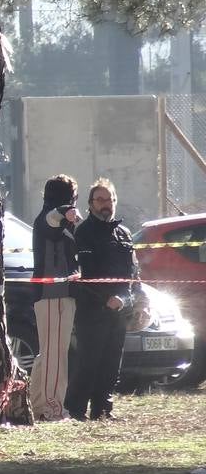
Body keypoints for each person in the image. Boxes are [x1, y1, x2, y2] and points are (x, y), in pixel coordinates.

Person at [67, 178, 139, 421]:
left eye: (109, 199)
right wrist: (109, 298)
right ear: (90, 204)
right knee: (89, 362)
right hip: (93, 309)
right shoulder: (84, 232)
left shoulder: (124, 233)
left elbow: (133, 273)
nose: (105, 204)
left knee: (111, 363)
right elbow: (86, 275)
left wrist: (131, 299)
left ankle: (103, 409)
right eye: (100, 200)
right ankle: (76, 410)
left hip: (120, 309)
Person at [30, 174, 81, 421]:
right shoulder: (46, 219)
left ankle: (38, 404)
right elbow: (52, 220)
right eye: (73, 197)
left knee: (48, 353)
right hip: (51, 295)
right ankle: (53, 409)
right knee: (55, 354)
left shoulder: (62, 223)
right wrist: (65, 211)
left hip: (63, 294)